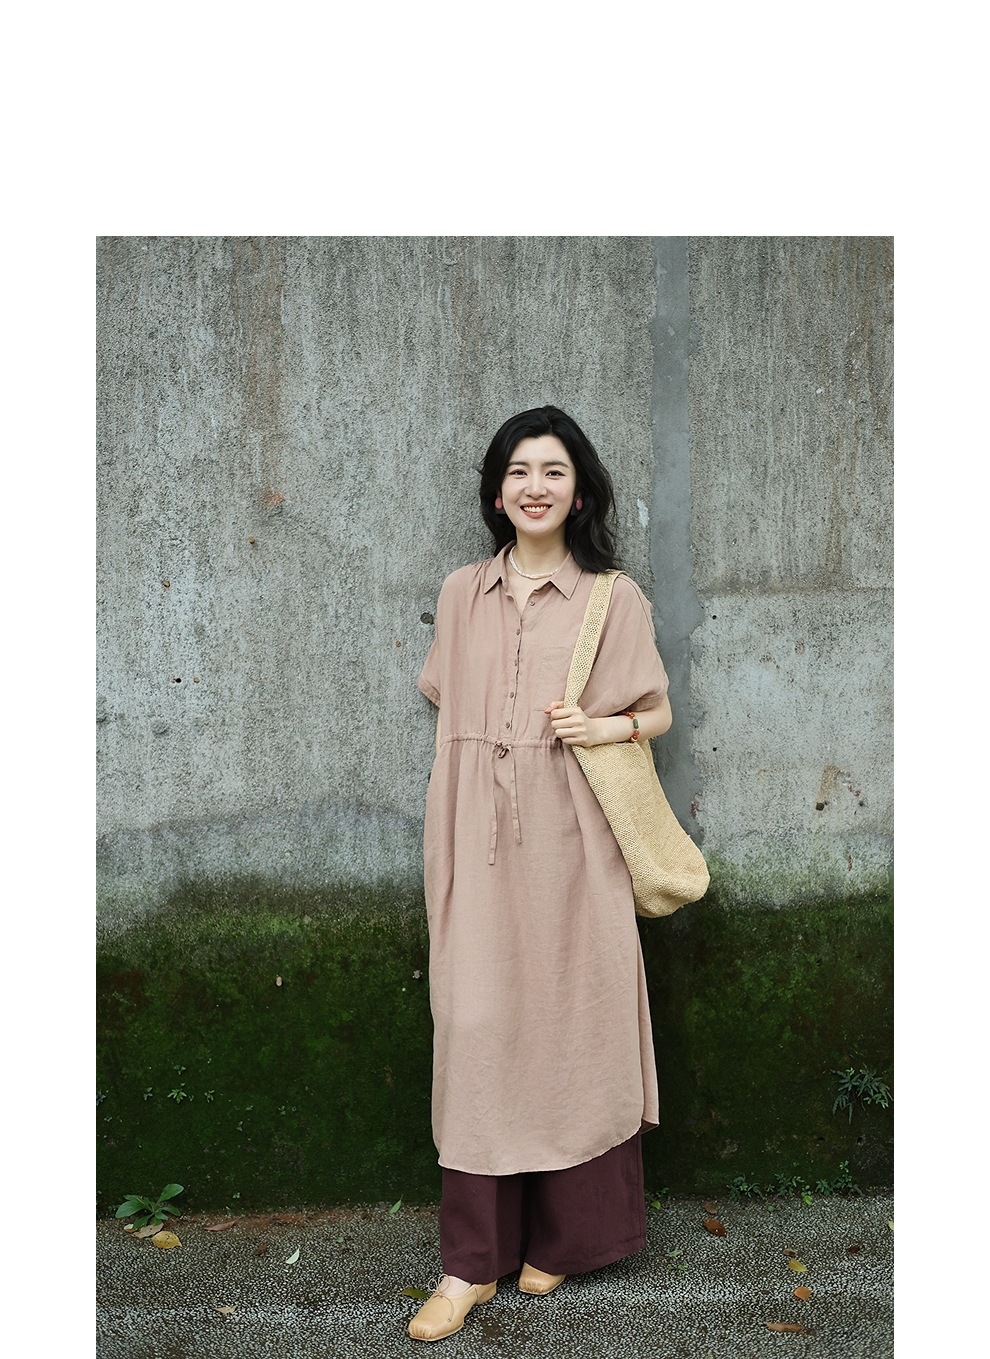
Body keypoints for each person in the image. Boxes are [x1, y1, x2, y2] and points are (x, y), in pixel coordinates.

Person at [410, 405, 672, 1343]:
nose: (535, 486)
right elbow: (449, 700)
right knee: (475, 1027)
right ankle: (468, 1264)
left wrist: (605, 725)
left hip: (575, 835)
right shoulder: (461, 593)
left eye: (553, 471)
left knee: (574, 1023)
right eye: (518, 470)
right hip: (471, 834)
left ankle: (568, 1239)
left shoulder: (613, 598)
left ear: (580, 490)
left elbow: (656, 710)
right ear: (496, 491)